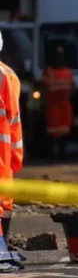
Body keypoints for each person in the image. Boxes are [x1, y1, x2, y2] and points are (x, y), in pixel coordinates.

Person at [0, 31, 24, 242]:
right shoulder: (7, 76)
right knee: (4, 202)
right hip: (1, 158)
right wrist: (16, 158)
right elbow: (13, 120)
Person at [42, 45, 75, 158]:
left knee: (63, 130)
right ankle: (53, 153)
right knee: (53, 131)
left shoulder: (67, 72)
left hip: (63, 105)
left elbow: (72, 87)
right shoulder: (49, 71)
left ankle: (61, 152)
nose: (59, 58)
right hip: (54, 105)